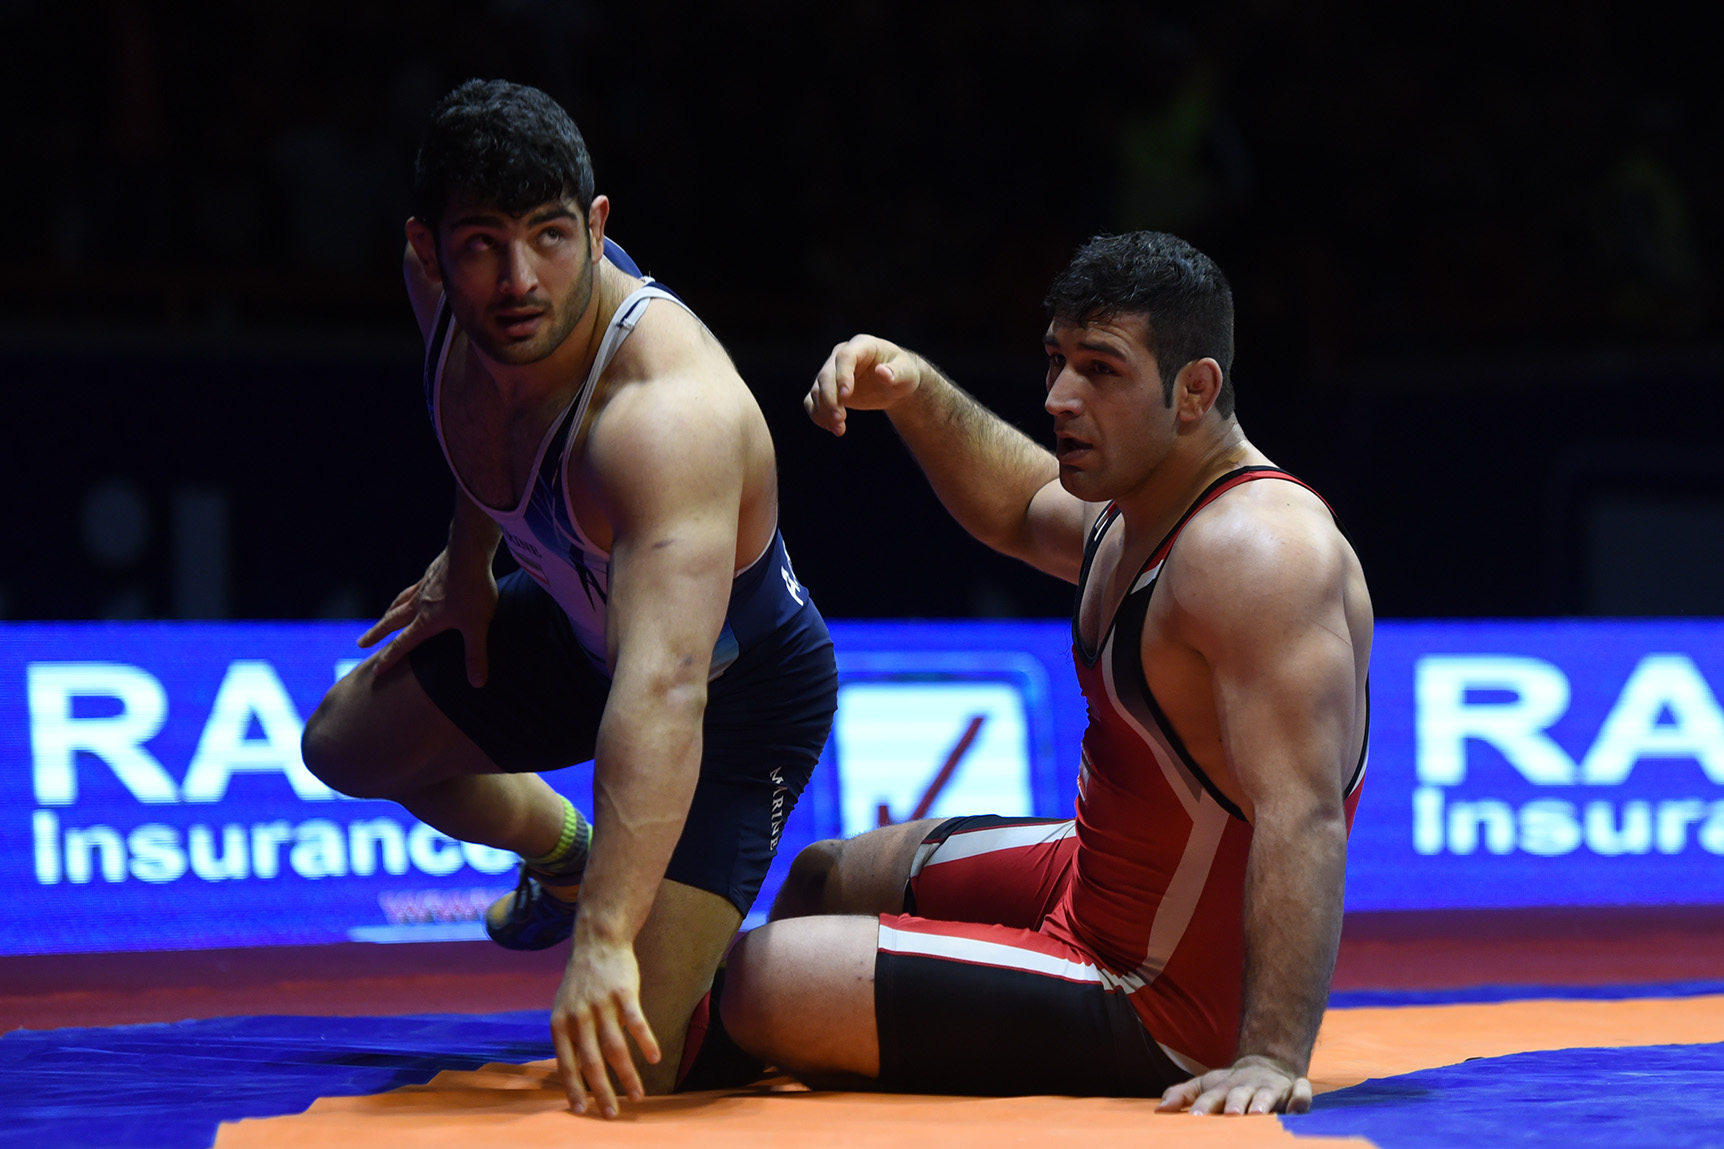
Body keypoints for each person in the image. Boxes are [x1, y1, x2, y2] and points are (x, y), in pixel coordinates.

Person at [716, 231, 1370, 1115]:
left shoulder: (1259, 553)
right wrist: (911, 387)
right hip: (1089, 881)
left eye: (1101, 369)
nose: (1060, 396)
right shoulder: (1140, 506)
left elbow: (1305, 814)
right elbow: (1021, 508)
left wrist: (1269, 1055)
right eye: (1057, 360)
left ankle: (705, 1031)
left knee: (762, 979)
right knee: (823, 877)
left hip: (1155, 996)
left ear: (1195, 390)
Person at [299, 79, 836, 1118]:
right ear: (427, 250)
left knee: (636, 1068)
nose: (518, 281)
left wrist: (604, 942)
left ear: (596, 227)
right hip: (579, 629)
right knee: (345, 745)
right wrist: (466, 567)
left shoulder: (665, 415)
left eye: (549, 237)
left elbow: (665, 690)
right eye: (481, 246)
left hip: (732, 696)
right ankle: (568, 856)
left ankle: (786, 949)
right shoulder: (445, 304)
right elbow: (484, 429)